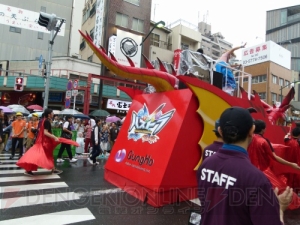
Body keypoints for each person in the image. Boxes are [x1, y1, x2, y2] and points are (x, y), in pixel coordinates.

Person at [197, 107, 293, 225]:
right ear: (252, 131)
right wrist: (279, 209)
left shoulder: (206, 164)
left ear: (220, 131)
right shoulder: (256, 180)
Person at [17, 108, 63, 176]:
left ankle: (29, 170)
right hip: (45, 142)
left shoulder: (41, 120)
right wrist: (54, 137)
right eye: (52, 113)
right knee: (47, 155)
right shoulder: (46, 121)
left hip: (40, 141)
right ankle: (52, 169)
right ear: (49, 114)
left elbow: (39, 130)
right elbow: (45, 132)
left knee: (41, 156)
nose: (53, 114)